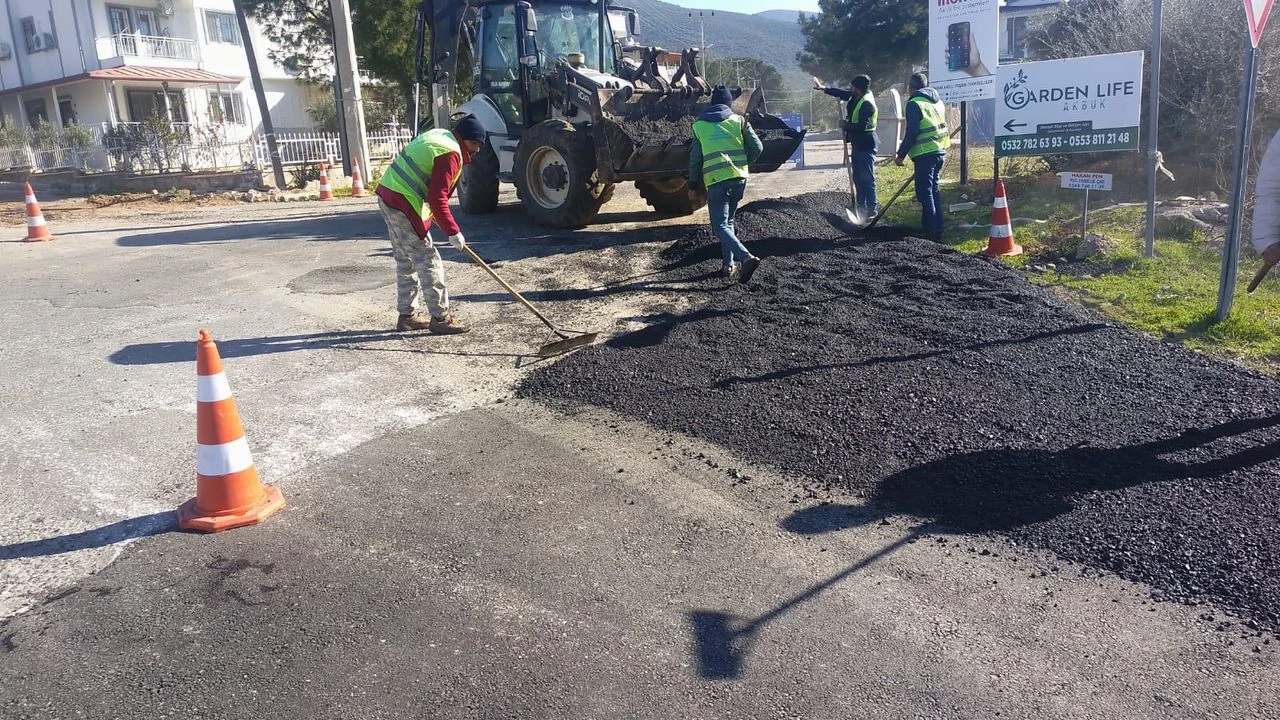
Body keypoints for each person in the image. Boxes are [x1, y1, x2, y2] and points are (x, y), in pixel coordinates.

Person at [376, 115, 489, 334]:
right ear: (464, 138)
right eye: (475, 143)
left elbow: (428, 188)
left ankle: (407, 316)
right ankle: (441, 318)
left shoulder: (441, 136)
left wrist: (439, 219)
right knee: (427, 259)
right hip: (401, 200)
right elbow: (438, 198)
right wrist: (453, 231)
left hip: (388, 194)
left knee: (405, 259)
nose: (477, 150)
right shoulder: (450, 153)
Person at [688, 86, 765, 283]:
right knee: (728, 223)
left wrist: (693, 183)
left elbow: (695, 159)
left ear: (712, 103)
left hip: (716, 180)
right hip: (739, 178)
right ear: (729, 104)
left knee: (719, 225)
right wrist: (745, 162)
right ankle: (727, 265)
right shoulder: (739, 121)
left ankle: (745, 257)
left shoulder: (699, 126)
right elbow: (757, 147)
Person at [813, 74, 878, 219]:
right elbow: (841, 93)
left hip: (866, 144)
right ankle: (860, 207)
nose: (850, 89)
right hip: (857, 144)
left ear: (859, 89)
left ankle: (872, 209)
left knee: (867, 178)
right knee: (858, 177)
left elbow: (862, 126)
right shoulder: (855, 96)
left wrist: (845, 125)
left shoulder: (866, 103)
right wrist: (823, 88)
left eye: (853, 87)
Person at [894, 72, 950, 241]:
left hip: (925, 153)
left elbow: (912, 132)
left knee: (925, 193)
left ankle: (932, 231)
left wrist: (900, 155)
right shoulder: (937, 101)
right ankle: (936, 226)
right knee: (933, 190)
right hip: (940, 150)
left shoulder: (914, 103)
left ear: (911, 88)